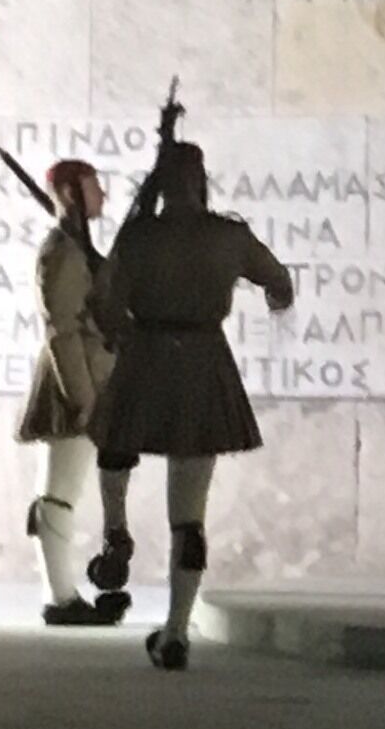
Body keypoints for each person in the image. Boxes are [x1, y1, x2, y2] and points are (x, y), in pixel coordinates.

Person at [87, 107, 296, 672]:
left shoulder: (138, 236)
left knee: (113, 444)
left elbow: (103, 306)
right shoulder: (228, 234)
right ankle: (177, 630)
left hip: (146, 353)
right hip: (203, 361)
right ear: (201, 182)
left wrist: (120, 329)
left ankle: (115, 530)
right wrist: (277, 304)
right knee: (190, 514)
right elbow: (279, 281)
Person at [17, 155, 128, 628]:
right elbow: (62, 331)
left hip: (86, 376)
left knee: (60, 493)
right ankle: (60, 598)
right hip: (73, 382)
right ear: (69, 195)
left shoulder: (75, 248)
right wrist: (84, 400)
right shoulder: (63, 251)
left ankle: (61, 595)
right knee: (57, 495)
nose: (102, 196)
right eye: (93, 186)